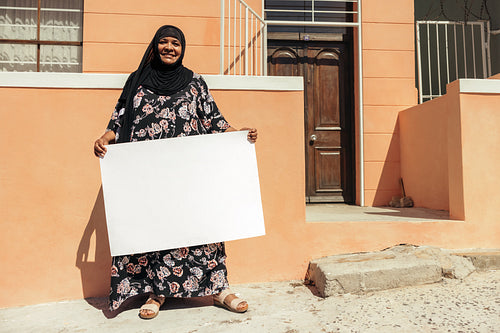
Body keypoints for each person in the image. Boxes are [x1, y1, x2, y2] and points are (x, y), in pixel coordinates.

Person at [93, 25, 258, 319]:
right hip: (149, 175)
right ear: (154, 46)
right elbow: (120, 116)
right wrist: (106, 136)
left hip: (189, 175)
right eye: (163, 42)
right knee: (156, 230)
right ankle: (157, 293)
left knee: (202, 229)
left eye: (176, 43)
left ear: (183, 48)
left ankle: (219, 289)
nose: (169, 48)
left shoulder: (195, 83)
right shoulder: (137, 81)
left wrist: (237, 135)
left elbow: (212, 119)